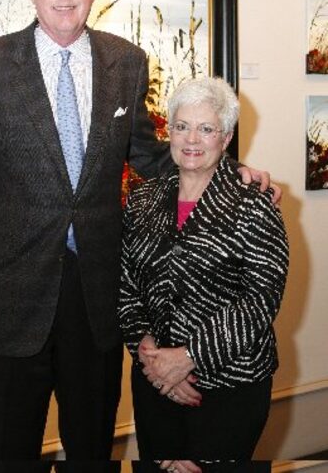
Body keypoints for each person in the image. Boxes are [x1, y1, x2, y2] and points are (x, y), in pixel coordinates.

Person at [0, 0, 276, 468]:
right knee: (5, 454)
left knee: (93, 451)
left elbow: (148, 154)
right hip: (9, 299)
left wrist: (231, 170)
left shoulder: (126, 62)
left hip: (96, 297)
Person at [119, 77, 289, 471]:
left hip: (230, 388)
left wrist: (190, 358)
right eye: (181, 126)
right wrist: (151, 358)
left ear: (225, 138)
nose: (191, 138)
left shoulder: (254, 203)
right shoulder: (143, 198)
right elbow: (125, 285)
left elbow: (261, 299)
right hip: (154, 381)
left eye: (206, 128)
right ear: (169, 133)